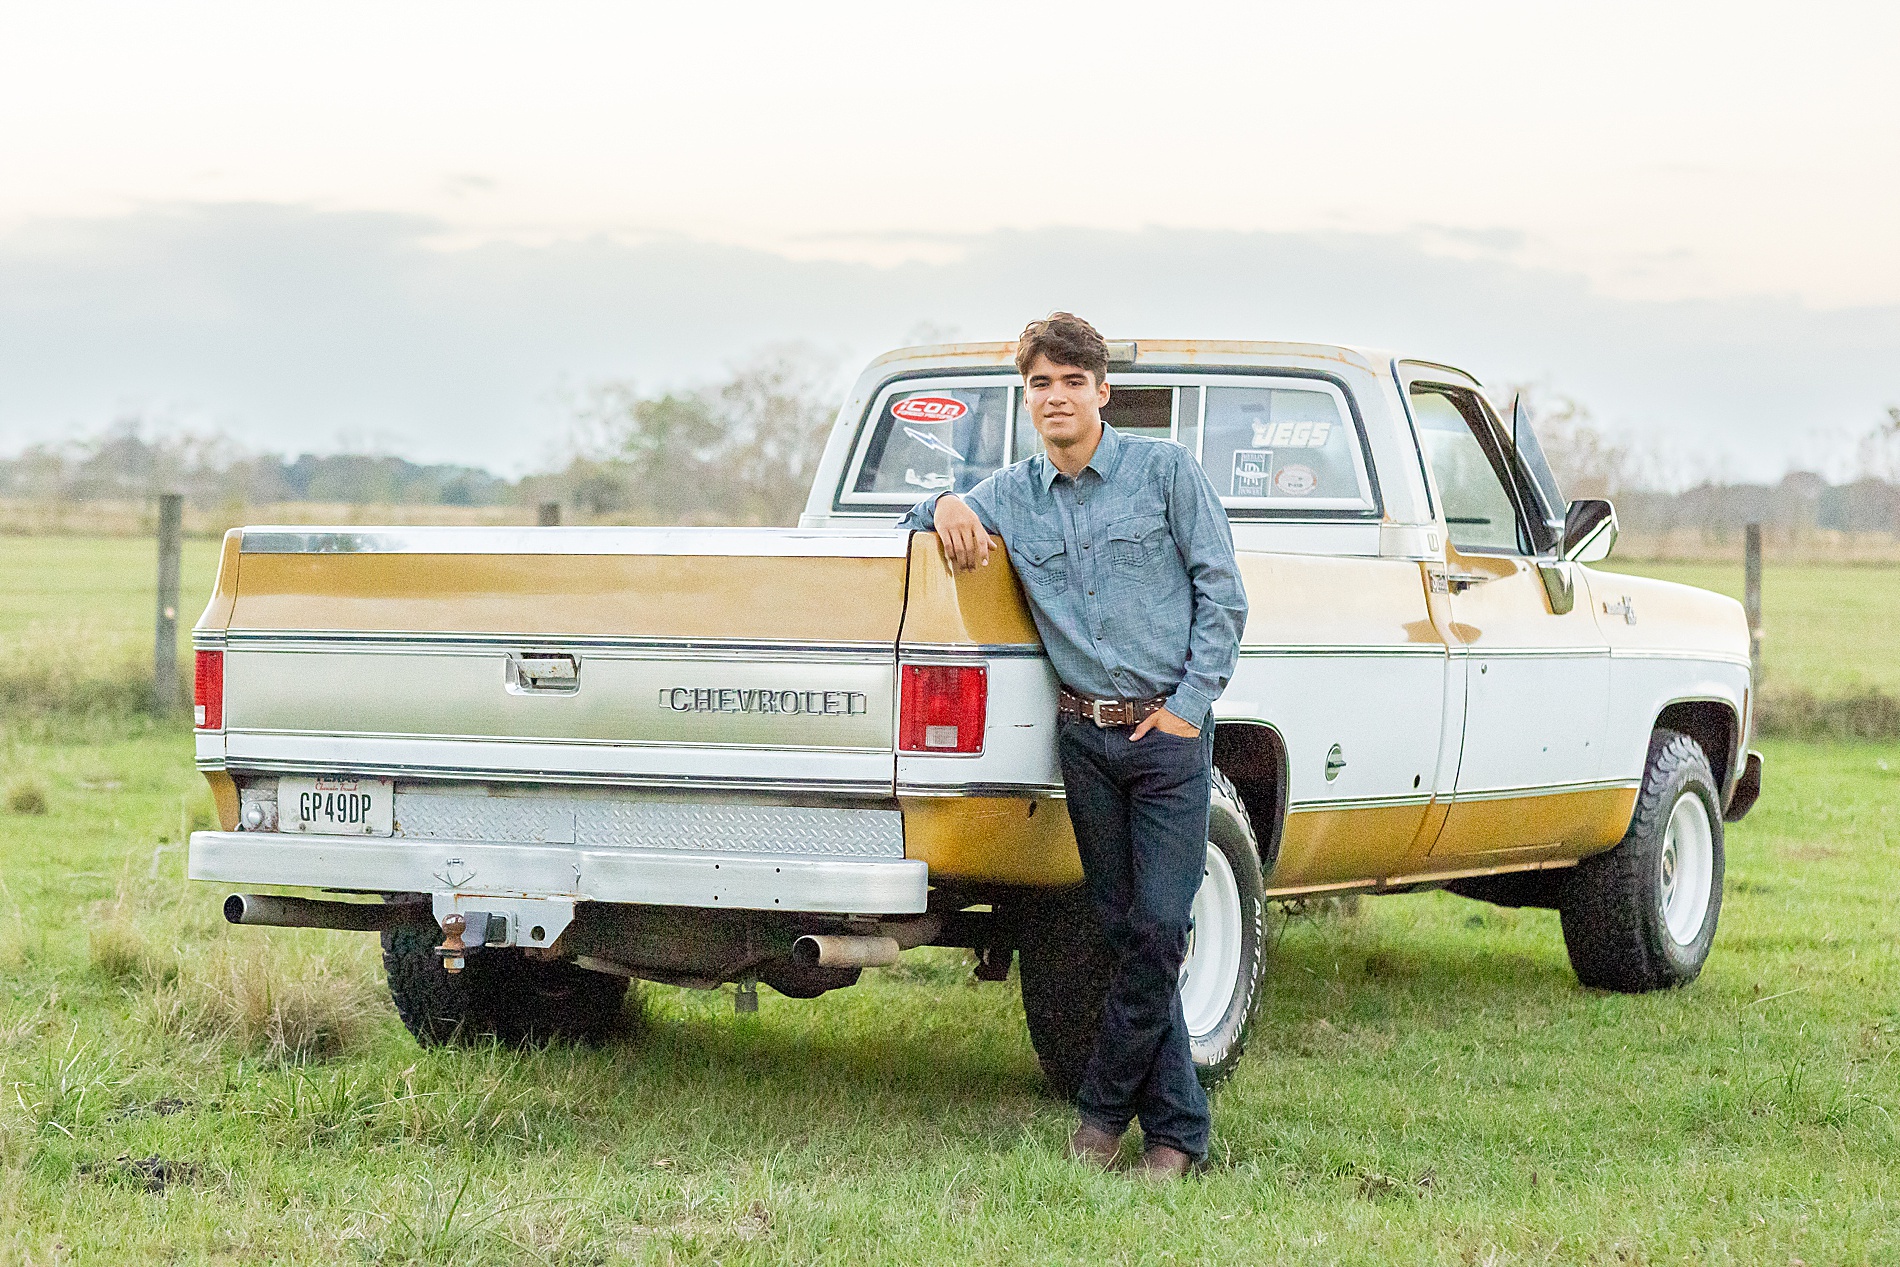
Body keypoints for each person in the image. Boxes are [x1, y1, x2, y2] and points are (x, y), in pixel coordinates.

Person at [898, 312, 1247, 1179]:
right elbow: (914, 512)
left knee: (1163, 926)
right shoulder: (1011, 492)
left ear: (1101, 391)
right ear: (1029, 398)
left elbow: (1224, 597)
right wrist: (942, 502)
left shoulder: (1166, 473)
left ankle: (1099, 1115)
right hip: (1084, 742)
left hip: (1166, 736)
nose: (1055, 397)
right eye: (1039, 385)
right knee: (1124, 930)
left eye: (1070, 381)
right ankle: (1177, 1136)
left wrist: (1188, 708)